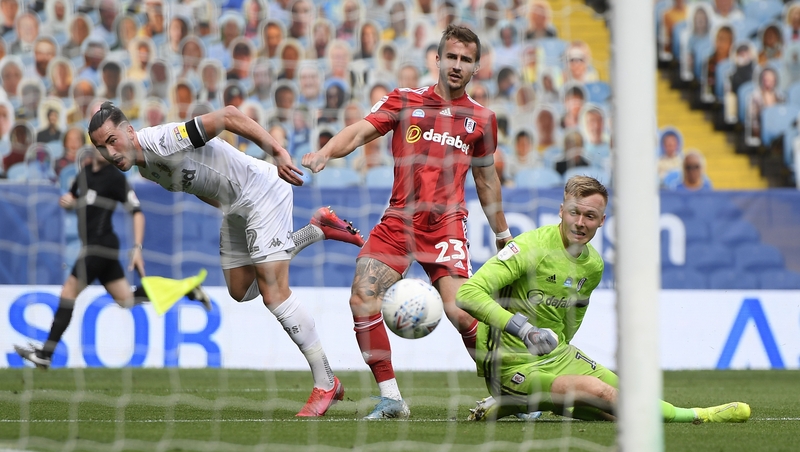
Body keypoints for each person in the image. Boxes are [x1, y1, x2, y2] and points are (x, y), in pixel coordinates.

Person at [86, 101, 365, 417]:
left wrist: (276, 151)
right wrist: (228, 209)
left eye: (112, 141)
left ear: (129, 130)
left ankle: (326, 382)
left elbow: (229, 115)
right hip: (235, 207)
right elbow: (197, 184)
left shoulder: (163, 140)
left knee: (274, 294)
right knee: (241, 289)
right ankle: (316, 229)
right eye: (101, 148)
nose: (109, 153)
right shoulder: (145, 167)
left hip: (262, 190)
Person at [302, 24, 512, 419]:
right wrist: (327, 151)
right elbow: (361, 131)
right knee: (362, 297)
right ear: (437, 59)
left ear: (476, 68)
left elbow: (486, 179)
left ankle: (509, 393)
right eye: (451, 56)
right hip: (399, 221)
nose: (456, 65)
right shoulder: (404, 100)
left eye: (466, 60)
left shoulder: (482, 119)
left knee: (461, 311)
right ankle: (392, 398)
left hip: (446, 224)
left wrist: (502, 233)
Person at [457, 175, 750, 423]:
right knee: (603, 395)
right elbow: (467, 294)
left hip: (556, 356)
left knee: (625, 401)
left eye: (590, 216)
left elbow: (571, 317)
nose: (580, 223)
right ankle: (699, 415)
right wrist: (525, 330)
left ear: (602, 221)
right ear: (561, 210)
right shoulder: (529, 248)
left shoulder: (593, 265)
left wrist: (558, 347)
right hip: (510, 367)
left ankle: (520, 404)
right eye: (575, 212)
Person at [14, 148, 211, 370]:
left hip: (100, 246)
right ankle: (187, 288)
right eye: (100, 144)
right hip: (96, 247)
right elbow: (75, 197)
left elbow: (137, 211)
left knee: (68, 292)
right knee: (125, 298)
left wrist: (137, 248)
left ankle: (45, 354)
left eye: (109, 145)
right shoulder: (85, 173)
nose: (104, 150)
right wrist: (71, 200)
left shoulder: (115, 178)